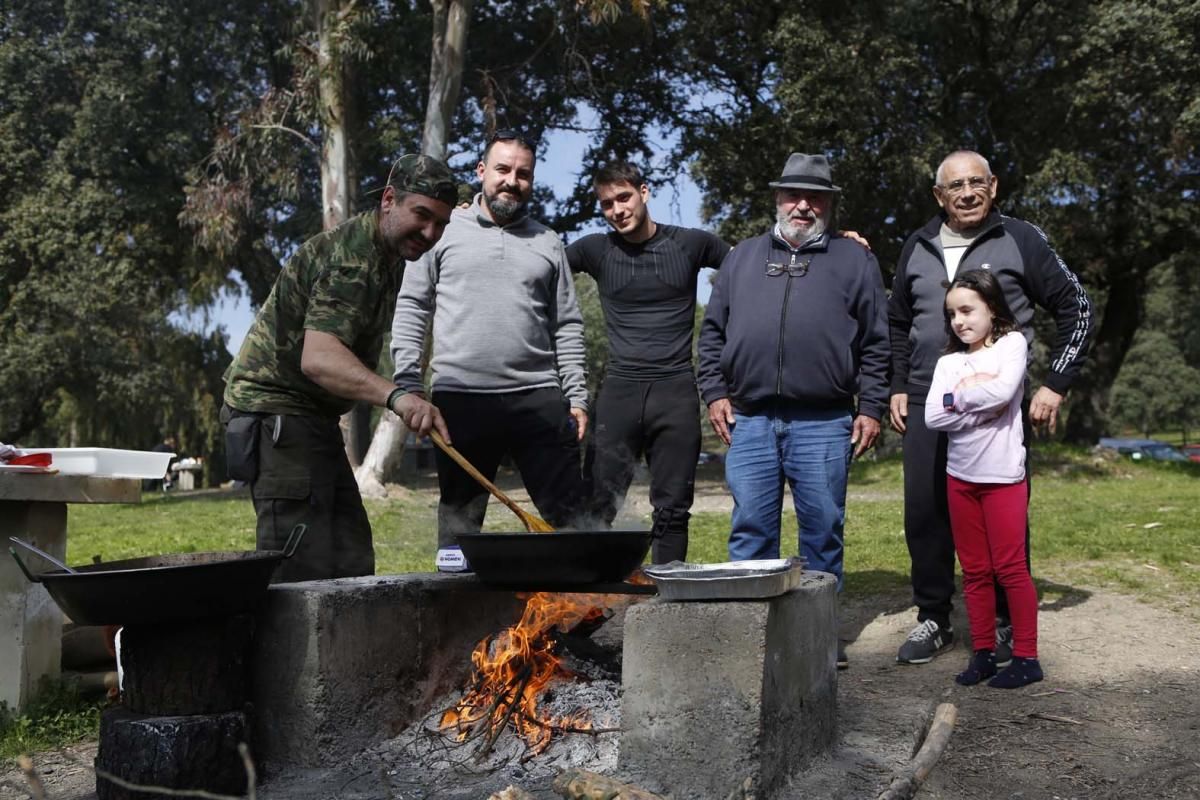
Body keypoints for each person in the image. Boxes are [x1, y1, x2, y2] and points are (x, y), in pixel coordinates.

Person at [890, 150, 1092, 665]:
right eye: (955, 186)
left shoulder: (1020, 238)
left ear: (993, 186)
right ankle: (934, 618)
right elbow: (895, 323)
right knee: (926, 513)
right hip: (926, 397)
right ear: (940, 195)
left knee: (1000, 513)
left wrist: (1055, 383)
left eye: (976, 182)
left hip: (997, 404)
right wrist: (896, 385)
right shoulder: (916, 244)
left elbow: (1077, 307)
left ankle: (1005, 623)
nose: (967, 193)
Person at [221, 154, 456, 583]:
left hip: (314, 419)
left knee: (350, 560)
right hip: (276, 416)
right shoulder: (354, 261)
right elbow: (320, 357)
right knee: (298, 574)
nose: (430, 233)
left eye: (441, 224)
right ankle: (283, 652)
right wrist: (399, 397)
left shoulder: (389, 257)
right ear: (389, 199)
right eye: (421, 215)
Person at [697, 153, 890, 668]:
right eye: (792, 195)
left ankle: (818, 642)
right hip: (751, 418)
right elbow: (712, 332)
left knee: (822, 531)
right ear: (777, 199)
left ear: (828, 204)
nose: (803, 205)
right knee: (751, 532)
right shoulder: (741, 257)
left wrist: (870, 406)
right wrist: (715, 392)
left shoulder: (855, 261)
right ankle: (753, 641)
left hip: (825, 420)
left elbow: (876, 341)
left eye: (815, 197)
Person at [391, 130, 589, 563]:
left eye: (523, 173)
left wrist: (576, 396)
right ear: (482, 172)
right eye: (502, 169)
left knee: (570, 522)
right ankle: (457, 614)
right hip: (460, 399)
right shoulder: (441, 231)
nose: (511, 180)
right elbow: (412, 307)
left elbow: (568, 324)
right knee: (459, 529)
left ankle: (581, 612)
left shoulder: (547, 241)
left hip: (538, 397)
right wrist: (407, 383)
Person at [566, 161, 731, 563]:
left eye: (623, 197)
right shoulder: (594, 249)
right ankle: (593, 605)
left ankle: (667, 605)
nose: (617, 210)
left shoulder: (691, 244)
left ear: (644, 191)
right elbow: (534, 264)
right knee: (598, 508)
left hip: (674, 393)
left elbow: (757, 262)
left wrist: (837, 240)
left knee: (673, 511)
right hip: (619, 395)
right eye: (607, 204)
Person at [925, 269, 1042, 688]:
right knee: (974, 572)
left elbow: (1004, 392)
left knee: (1010, 569)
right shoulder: (948, 362)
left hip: (1003, 476)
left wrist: (958, 399)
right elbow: (932, 416)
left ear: (992, 308)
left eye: (968, 310)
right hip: (961, 477)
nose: (959, 321)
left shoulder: (1012, 344)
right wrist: (971, 401)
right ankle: (983, 655)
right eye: (952, 314)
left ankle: (1027, 658)